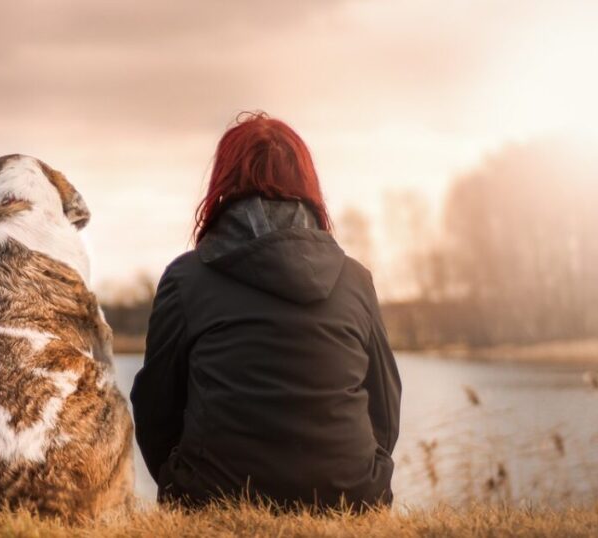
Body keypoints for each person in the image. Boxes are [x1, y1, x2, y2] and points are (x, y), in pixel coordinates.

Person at [130, 112, 401, 511]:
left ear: (223, 184)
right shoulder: (355, 280)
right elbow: (385, 407)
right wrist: (360, 476)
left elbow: (155, 408)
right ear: (307, 185)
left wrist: (180, 481)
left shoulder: (186, 279)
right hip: (351, 497)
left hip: (212, 497)